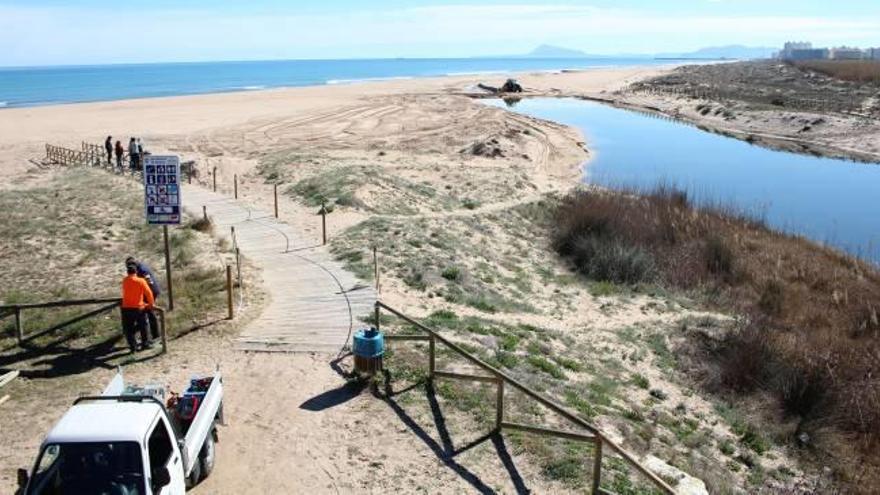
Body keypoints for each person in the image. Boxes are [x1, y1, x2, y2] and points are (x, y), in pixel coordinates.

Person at [121, 261, 154, 352]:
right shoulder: (141, 281)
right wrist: (150, 304)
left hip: (126, 308)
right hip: (138, 308)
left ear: (127, 272)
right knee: (143, 326)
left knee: (129, 329)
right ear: (136, 272)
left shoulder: (124, 280)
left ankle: (133, 347)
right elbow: (149, 293)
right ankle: (145, 344)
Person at [125, 256, 161, 340]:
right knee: (145, 313)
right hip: (147, 291)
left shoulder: (142, 270)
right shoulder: (139, 267)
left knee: (149, 312)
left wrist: (147, 298)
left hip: (151, 291)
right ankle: (151, 334)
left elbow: (149, 282)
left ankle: (155, 335)